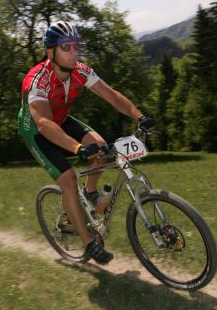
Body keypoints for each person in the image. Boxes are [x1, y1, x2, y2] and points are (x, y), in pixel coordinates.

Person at [18, 21, 154, 265]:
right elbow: (44, 124)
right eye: (66, 47)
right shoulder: (37, 80)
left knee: (100, 147)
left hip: (61, 120)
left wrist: (139, 116)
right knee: (69, 180)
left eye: (76, 46)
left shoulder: (80, 71)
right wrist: (77, 148)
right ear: (50, 52)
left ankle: (90, 193)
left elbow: (111, 95)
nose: (74, 53)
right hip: (37, 132)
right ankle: (89, 244)